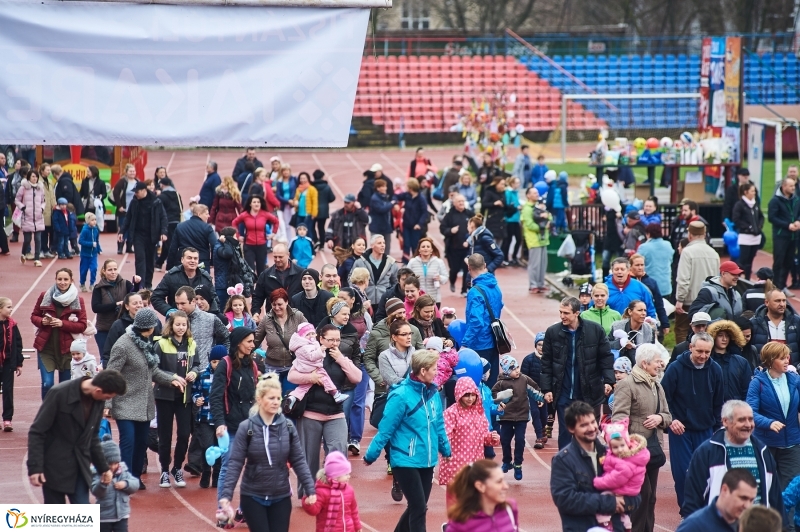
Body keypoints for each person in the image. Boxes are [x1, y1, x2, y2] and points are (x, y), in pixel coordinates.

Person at [365, 349, 451, 532]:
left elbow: (439, 424)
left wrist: (445, 449)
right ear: (423, 371)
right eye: (434, 368)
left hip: (427, 459)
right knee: (419, 507)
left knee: (417, 506)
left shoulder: (434, 393)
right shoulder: (400, 395)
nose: (437, 372)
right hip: (405, 459)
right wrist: (371, 454)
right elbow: (385, 429)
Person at [219, 373, 316, 532]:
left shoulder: (288, 427)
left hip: (281, 496)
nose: (276, 402)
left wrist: (310, 489)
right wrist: (226, 495)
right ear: (259, 399)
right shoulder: (246, 428)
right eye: (271, 398)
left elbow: (298, 460)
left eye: (278, 398)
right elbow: (235, 463)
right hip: (253, 496)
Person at [105, 308, 178, 489]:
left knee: (141, 443)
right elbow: (111, 374)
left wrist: (172, 379)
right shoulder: (122, 345)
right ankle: (125, 477)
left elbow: (153, 371)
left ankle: (135, 477)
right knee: (128, 441)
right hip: (125, 402)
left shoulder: (146, 342)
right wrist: (107, 403)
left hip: (144, 404)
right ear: (149, 327)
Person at [27, 370, 127, 503]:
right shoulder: (59, 393)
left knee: (82, 512)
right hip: (54, 466)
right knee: (55, 514)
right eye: (108, 397)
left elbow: (93, 437)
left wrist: (103, 468)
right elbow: (37, 431)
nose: (107, 400)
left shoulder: (98, 400)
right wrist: (35, 467)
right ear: (98, 390)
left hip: (80, 466)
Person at [289, 324, 361, 496]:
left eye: (338, 340)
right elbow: (292, 376)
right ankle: (308, 493)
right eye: (331, 340)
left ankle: (334, 491)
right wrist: (310, 377)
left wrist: (341, 359)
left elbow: (357, 377)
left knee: (338, 452)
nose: (335, 343)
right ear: (321, 339)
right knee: (309, 458)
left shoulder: (341, 357)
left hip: (335, 413)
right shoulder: (309, 353)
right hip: (310, 413)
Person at [683, 399, 784, 522]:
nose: (748, 425)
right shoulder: (707, 452)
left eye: (751, 419)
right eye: (741, 420)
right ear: (725, 421)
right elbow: (692, 500)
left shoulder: (762, 451)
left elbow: (775, 497)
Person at [550, 401, 640, 532]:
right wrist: (610, 503)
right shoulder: (563, 460)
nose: (591, 428)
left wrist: (627, 503)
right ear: (571, 428)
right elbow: (565, 499)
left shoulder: (612, 454)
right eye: (584, 425)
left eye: (593, 422)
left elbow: (635, 493)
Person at [610, 343, 672, 532]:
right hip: (634, 452)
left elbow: (668, 415)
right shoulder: (627, 385)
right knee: (641, 495)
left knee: (651, 497)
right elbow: (618, 418)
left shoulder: (657, 385)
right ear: (645, 363)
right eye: (657, 362)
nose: (660, 365)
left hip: (653, 449)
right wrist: (624, 449)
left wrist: (660, 418)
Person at [542, 296, 615, 450]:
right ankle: (565, 462)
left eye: (566, 313)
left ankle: (588, 461)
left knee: (587, 431)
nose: (562, 316)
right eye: (560, 312)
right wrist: (547, 389)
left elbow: (606, 357)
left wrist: (609, 380)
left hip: (588, 391)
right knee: (565, 432)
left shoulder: (595, 330)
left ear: (577, 313)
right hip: (563, 393)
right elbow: (546, 362)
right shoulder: (552, 332)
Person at [662, 332, 724, 511]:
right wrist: (672, 420)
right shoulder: (675, 368)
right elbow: (664, 398)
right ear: (690, 347)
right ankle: (687, 511)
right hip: (680, 430)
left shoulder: (715, 370)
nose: (703, 356)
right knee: (683, 473)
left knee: (706, 472)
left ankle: (703, 510)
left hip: (705, 429)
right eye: (699, 351)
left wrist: (717, 428)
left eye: (707, 352)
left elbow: (718, 402)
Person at [210, 327, 261, 519]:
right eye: (249, 341)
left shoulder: (252, 364)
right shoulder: (225, 364)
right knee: (229, 466)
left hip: (250, 425)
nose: (252, 345)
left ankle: (243, 509)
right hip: (230, 426)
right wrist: (219, 423)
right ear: (238, 342)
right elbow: (215, 396)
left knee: (254, 467)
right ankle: (223, 510)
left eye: (253, 341)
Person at [746, 342, 800, 520]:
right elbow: (750, 412)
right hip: (766, 445)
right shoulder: (758, 383)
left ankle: (787, 527)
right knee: (764, 487)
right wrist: (768, 423)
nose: (787, 360)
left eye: (787, 357)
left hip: (792, 444)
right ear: (770, 360)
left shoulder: (794, 380)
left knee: (791, 490)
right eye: (782, 358)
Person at [153, 311, 199, 489]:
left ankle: (177, 467)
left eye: (184, 325)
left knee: (184, 434)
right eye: (177, 324)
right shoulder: (161, 344)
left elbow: (197, 364)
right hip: (164, 395)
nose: (181, 328)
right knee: (165, 435)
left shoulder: (191, 344)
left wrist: (194, 372)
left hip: (184, 397)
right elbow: (154, 368)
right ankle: (164, 470)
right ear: (171, 325)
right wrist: (172, 377)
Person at [31, 267, 88, 398]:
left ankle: (62, 410)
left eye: (65, 279)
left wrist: (63, 324)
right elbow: (34, 316)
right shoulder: (45, 296)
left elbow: (82, 325)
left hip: (68, 350)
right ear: (55, 280)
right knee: (47, 384)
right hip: (46, 348)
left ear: (71, 281)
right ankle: (47, 410)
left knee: (65, 386)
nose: (62, 282)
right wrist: (42, 321)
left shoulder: (78, 300)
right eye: (59, 279)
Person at [439, 377, 500, 495]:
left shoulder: (479, 413)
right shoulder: (451, 413)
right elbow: (445, 436)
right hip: (456, 465)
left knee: (474, 500)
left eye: (473, 395)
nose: (470, 399)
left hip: (475, 464)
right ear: (459, 394)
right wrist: (446, 452)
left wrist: (492, 437)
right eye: (466, 395)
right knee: (456, 501)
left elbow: (484, 435)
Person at [592, 417, 650, 531]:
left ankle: (605, 521)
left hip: (624, 490)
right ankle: (626, 524)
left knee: (603, 498)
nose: (619, 449)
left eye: (622, 446)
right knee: (622, 514)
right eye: (615, 447)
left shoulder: (625, 461)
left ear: (628, 443)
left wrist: (597, 482)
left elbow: (616, 478)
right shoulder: (626, 457)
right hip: (628, 490)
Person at [492, 354, 543, 480]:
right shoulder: (501, 383)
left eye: (517, 367)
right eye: (513, 369)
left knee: (520, 440)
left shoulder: (524, 379)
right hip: (506, 417)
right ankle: (507, 461)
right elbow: (493, 396)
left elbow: (534, 389)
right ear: (506, 371)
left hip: (522, 415)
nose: (517, 371)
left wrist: (540, 398)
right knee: (505, 440)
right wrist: (501, 399)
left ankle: (518, 464)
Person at [461, 253, 504, 385]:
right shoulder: (495, 286)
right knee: (492, 383)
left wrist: (465, 344)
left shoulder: (475, 292)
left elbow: (476, 322)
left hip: (479, 344)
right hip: (494, 341)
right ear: (485, 265)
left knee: (477, 384)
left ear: (469, 268)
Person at [675, 221, 720, 345]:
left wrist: (680, 299)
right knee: (705, 330)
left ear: (690, 235)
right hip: (708, 301)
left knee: (682, 329)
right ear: (704, 234)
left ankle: (683, 351)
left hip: (689, 300)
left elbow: (683, 278)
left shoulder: (687, 252)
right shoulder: (714, 253)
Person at [119, 181, 168, 289]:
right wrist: (122, 231)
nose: (135, 194)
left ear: (144, 190)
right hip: (138, 235)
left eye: (137, 192)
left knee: (150, 261)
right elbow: (128, 218)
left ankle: (148, 284)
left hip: (152, 236)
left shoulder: (156, 202)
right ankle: (140, 285)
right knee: (140, 259)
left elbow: (163, 217)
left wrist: (163, 232)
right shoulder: (134, 202)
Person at [187, 345, 224, 488]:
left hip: (221, 419)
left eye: (220, 362)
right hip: (205, 418)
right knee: (207, 447)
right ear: (210, 361)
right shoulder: (202, 375)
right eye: (214, 362)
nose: (217, 365)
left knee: (219, 448)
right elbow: (194, 390)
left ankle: (217, 476)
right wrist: (197, 398)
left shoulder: (227, 376)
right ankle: (206, 473)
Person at [254, 288, 306, 389]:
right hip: (272, 367)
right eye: (274, 305)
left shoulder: (297, 316)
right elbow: (255, 340)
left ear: (286, 302)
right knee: (272, 395)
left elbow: (309, 335)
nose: (277, 308)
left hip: (293, 366)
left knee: (288, 395)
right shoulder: (267, 319)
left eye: (280, 304)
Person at [445, 459, 518, 531]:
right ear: (480, 486)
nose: (506, 486)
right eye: (499, 482)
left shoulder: (510, 508)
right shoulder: (460, 524)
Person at [677, 469, 758, 532]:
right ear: (724, 490)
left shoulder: (752, 527)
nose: (747, 506)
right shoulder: (693, 527)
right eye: (743, 498)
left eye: (751, 500)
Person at [301, 451, 361, 532]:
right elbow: (315, 510)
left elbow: (354, 510)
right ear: (335, 476)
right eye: (346, 474)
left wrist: (357, 526)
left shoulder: (349, 490)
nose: (349, 476)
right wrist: (308, 503)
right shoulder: (322, 491)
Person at [174, 285, 229, 372]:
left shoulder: (210, 318)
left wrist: (222, 358)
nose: (179, 307)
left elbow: (227, 338)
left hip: (204, 371)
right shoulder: (173, 320)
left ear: (193, 301)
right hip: (180, 372)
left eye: (183, 304)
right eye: (177, 304)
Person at [91, 434, 139, 532]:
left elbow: (135, 484)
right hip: (104, 517)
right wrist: (103, 484)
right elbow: (95, 491)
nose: (113, 467)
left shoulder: (123, 472)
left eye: (116, 463)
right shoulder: (98, 474)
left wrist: (125, 484)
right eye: (109, 464)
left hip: (122, 515)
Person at [152, 247, 219, 316]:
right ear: (182, 259)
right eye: (189, 258)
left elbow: (214, 300)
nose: (192, 261)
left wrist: (210, 315)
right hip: (178, 318)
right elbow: (156, 297)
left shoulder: (205, 277)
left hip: (201, 318)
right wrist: (169, 311)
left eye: (195, 258)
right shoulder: (171, 276)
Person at [230, 195, 281, 277]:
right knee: (250, 269)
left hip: (262, 245)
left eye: (258, 202)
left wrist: (273, 233)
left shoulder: (265, 214)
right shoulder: (245, 215)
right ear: (250, 204)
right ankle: (251, 284)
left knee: (261, 269)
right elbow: (234, 222)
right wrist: (238, 235)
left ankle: (261, 284)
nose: (256, 204)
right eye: (254, 202)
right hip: (249, 245)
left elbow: (276, 221)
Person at [750, 289, 800, 365]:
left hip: (792, 369)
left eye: (784, 300)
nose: (782, 304)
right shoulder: (754, 323)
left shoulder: (796, 322)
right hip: (764, 370)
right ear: (767, 302)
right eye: (777, 301)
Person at [768, 176, 800, 293]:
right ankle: (775, 286)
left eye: (794, 186)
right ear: (784, 186)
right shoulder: (775, 201)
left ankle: (783, 285)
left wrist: (798, 221)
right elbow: (772, 217)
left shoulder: (796, 200)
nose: (793, 188)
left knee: (788, 262)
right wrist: (787, 225)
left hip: (793, 236)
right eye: (791, 186)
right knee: (778, 262)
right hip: (780, 236)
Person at [707, 320, 751, 402]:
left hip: (736, 407)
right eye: (720, 335)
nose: (724, 339)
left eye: (727, 336)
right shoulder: (707, 362)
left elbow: (747, 389)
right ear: (714, 337)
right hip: (712, 406)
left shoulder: (741, 362)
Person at [349, 234, 398, 305]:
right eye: (379, 243)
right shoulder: (360, 262)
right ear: (372, 245)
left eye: (384, 243)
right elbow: (351, 279)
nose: (382, 245)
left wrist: (390, 295)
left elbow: (396, 283)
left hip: (385, 302)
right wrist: (359, 293)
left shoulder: (391, 263)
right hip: (365, 302)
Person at [440, 193, 473, 295]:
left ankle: (464, 290)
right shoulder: (449, 216)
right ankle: (452, 281)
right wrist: (450, 230)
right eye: (459, 201)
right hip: (453, 248)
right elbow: (442, 228)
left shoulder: (470, 214)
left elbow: (477, 227)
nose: (461, 203)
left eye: (463, 201)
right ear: (454, 203)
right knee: (454, 269)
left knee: (467, 269)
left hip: (467, 248)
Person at [628, 254, 669, 336]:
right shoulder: (627, 283)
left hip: (648, 319)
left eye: (642, 265)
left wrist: (665, 323)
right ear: (630, 267)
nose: (640, 267)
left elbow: (659, 304)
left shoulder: (651, 282)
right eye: (637, 265)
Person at [167, 203, 217, 271]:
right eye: (206, 214)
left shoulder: (180, 226)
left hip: (183, 260)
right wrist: (212, 262)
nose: (208, 216)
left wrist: (169, 266)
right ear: (199, 214)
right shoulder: (207, 228)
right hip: (201, 261)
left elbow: (173, 248)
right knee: (202, 277)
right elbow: (214, 245)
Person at [522, 332, 550, 448]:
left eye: (544, 345)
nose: (541, 347)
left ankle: (543, 429)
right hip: (531, 392)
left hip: (545, 392)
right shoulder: (528, 360)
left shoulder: (550, 360)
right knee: (535, 412)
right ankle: (539, 436)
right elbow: (523, 378)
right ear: (535, 345)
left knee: (544, 415)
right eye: (539, 344)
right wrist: (534, 394)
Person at [732, 182, 764, 280]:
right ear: (746, 192)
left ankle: (747, 279)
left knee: (750, 260)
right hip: (745, 237)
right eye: (752, 191)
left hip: (756, 237)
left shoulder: (755, 204)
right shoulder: (739, 205)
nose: (754, 193)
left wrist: (759, 226)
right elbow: (736, 219)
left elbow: (761, 217)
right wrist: (748, 227)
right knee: (743, 260)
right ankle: (737, 279)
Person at [522, 186, 551, 293]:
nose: (537, 194)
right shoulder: (527, 209)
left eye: (537, 193)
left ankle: (541, 283)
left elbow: (549, 216)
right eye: (534, 193)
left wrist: (546, 217)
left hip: (543, 239)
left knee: (543, 263)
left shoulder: (539, 206)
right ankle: (533, 284)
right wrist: (542, 227)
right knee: (534, 264)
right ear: (528, 195)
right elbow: (529, 224)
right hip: (534, 239)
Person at [0, 297, 23, 432]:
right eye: (8, 307)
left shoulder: (12, 325)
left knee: (8, 390)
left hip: (8, 362)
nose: (11, 309)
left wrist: (18, 363)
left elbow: (18, 344)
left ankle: (7, 419)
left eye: (11, 306)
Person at [609, 300, 656, 365]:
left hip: (639, 366)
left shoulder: (649, 331)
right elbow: (607, 345)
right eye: (640, 310)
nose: (643, 313)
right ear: (630, 312)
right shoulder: (617, 327)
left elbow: (652, 353)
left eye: (645, 310)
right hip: (617, 366)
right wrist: (620, 343)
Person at [15, 169, 46, 267]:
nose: (35, 178)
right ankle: (23, 253)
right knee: (27, 239)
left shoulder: (40, 188)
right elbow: (17, 200)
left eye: (36, 176)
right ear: (29, 177)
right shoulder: (23, 188)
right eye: (33, 176)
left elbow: (43, 201)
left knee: (38, 239)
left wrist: (42, 208)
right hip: (27, 217)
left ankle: (37, 259)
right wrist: (23, 207)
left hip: (38, 217)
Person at [406, 237, 448, 307]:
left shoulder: (438, 262)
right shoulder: (412, 262)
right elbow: (407, 278)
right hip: (417, 299)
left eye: (428, 247)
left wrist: (440, 278)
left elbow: (446, 278)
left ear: (431, 250)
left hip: (434, 299)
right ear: (419, 250)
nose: (425, 248)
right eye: (423, 247)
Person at [395, 178, 429, 263]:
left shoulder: (421, 199)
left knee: (415, 245)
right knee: (406, 244)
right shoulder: (407, 195)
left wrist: (419, 224)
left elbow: (424, 213)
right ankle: (405, 262)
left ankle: (416, 262)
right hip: (406, 225)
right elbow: (395, 196)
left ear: (411, 188)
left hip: (415, 227)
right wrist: (395, 203)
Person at [637, 223, 674, 297]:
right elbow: (671, 260)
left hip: (649, 287)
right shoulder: (668, 245)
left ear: (648, 234)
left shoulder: (644, 247)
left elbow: (636, 264)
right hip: (666, 286)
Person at [155, 177, 183, 271]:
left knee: (169, 244)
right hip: (177, 221)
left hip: (167, 222)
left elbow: (159, 211)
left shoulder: (161, 197)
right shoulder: (177, 194)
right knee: (170, 243)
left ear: (162, 185)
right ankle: (159, 263)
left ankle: (168, 265)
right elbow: (181, 207)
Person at [111, 164, 138, 254]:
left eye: (133, 171)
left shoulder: (137, 182)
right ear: (126, 172)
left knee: (132, 229)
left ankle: (129, 247)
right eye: (130, 171)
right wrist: (119, 206)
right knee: (123, 228)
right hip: (124, 210)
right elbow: (116, 193)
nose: (132, 173)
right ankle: (120, 246)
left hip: (134, 210)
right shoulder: (122, 182)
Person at [482, 176, 509, 253]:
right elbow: (484, 204)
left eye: (504, 184)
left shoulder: (503, 193)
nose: (503, 186)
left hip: (501, 220)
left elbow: (505, 205)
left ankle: (497, 255)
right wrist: (494, 203)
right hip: (493, 220)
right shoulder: (489, 192)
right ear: (496, 184)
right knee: (492, 242)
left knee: (500, 241)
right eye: (501, 184)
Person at [309, 169, 335, 246]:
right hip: (324, 210)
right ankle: (322, 245)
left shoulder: (311, 187)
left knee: (311, 226)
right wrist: (325, 201)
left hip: (313, 210)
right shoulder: (327, 187)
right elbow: (332, 198)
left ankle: (316, 240)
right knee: (321, 228)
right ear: (322, 177)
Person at [78, 212, 102, 291]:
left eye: (95, 220)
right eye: (92, 220)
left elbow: (97, 241)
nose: (94, 221)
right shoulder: (85, 230)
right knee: (83, 270)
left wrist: (98, 249)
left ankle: (92, 284)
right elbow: (80, 241)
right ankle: (82, 284)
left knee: (94, 269)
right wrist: (91, 244)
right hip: (85, 255)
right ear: (88, 221)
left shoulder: (96, 230)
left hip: (93, 255)